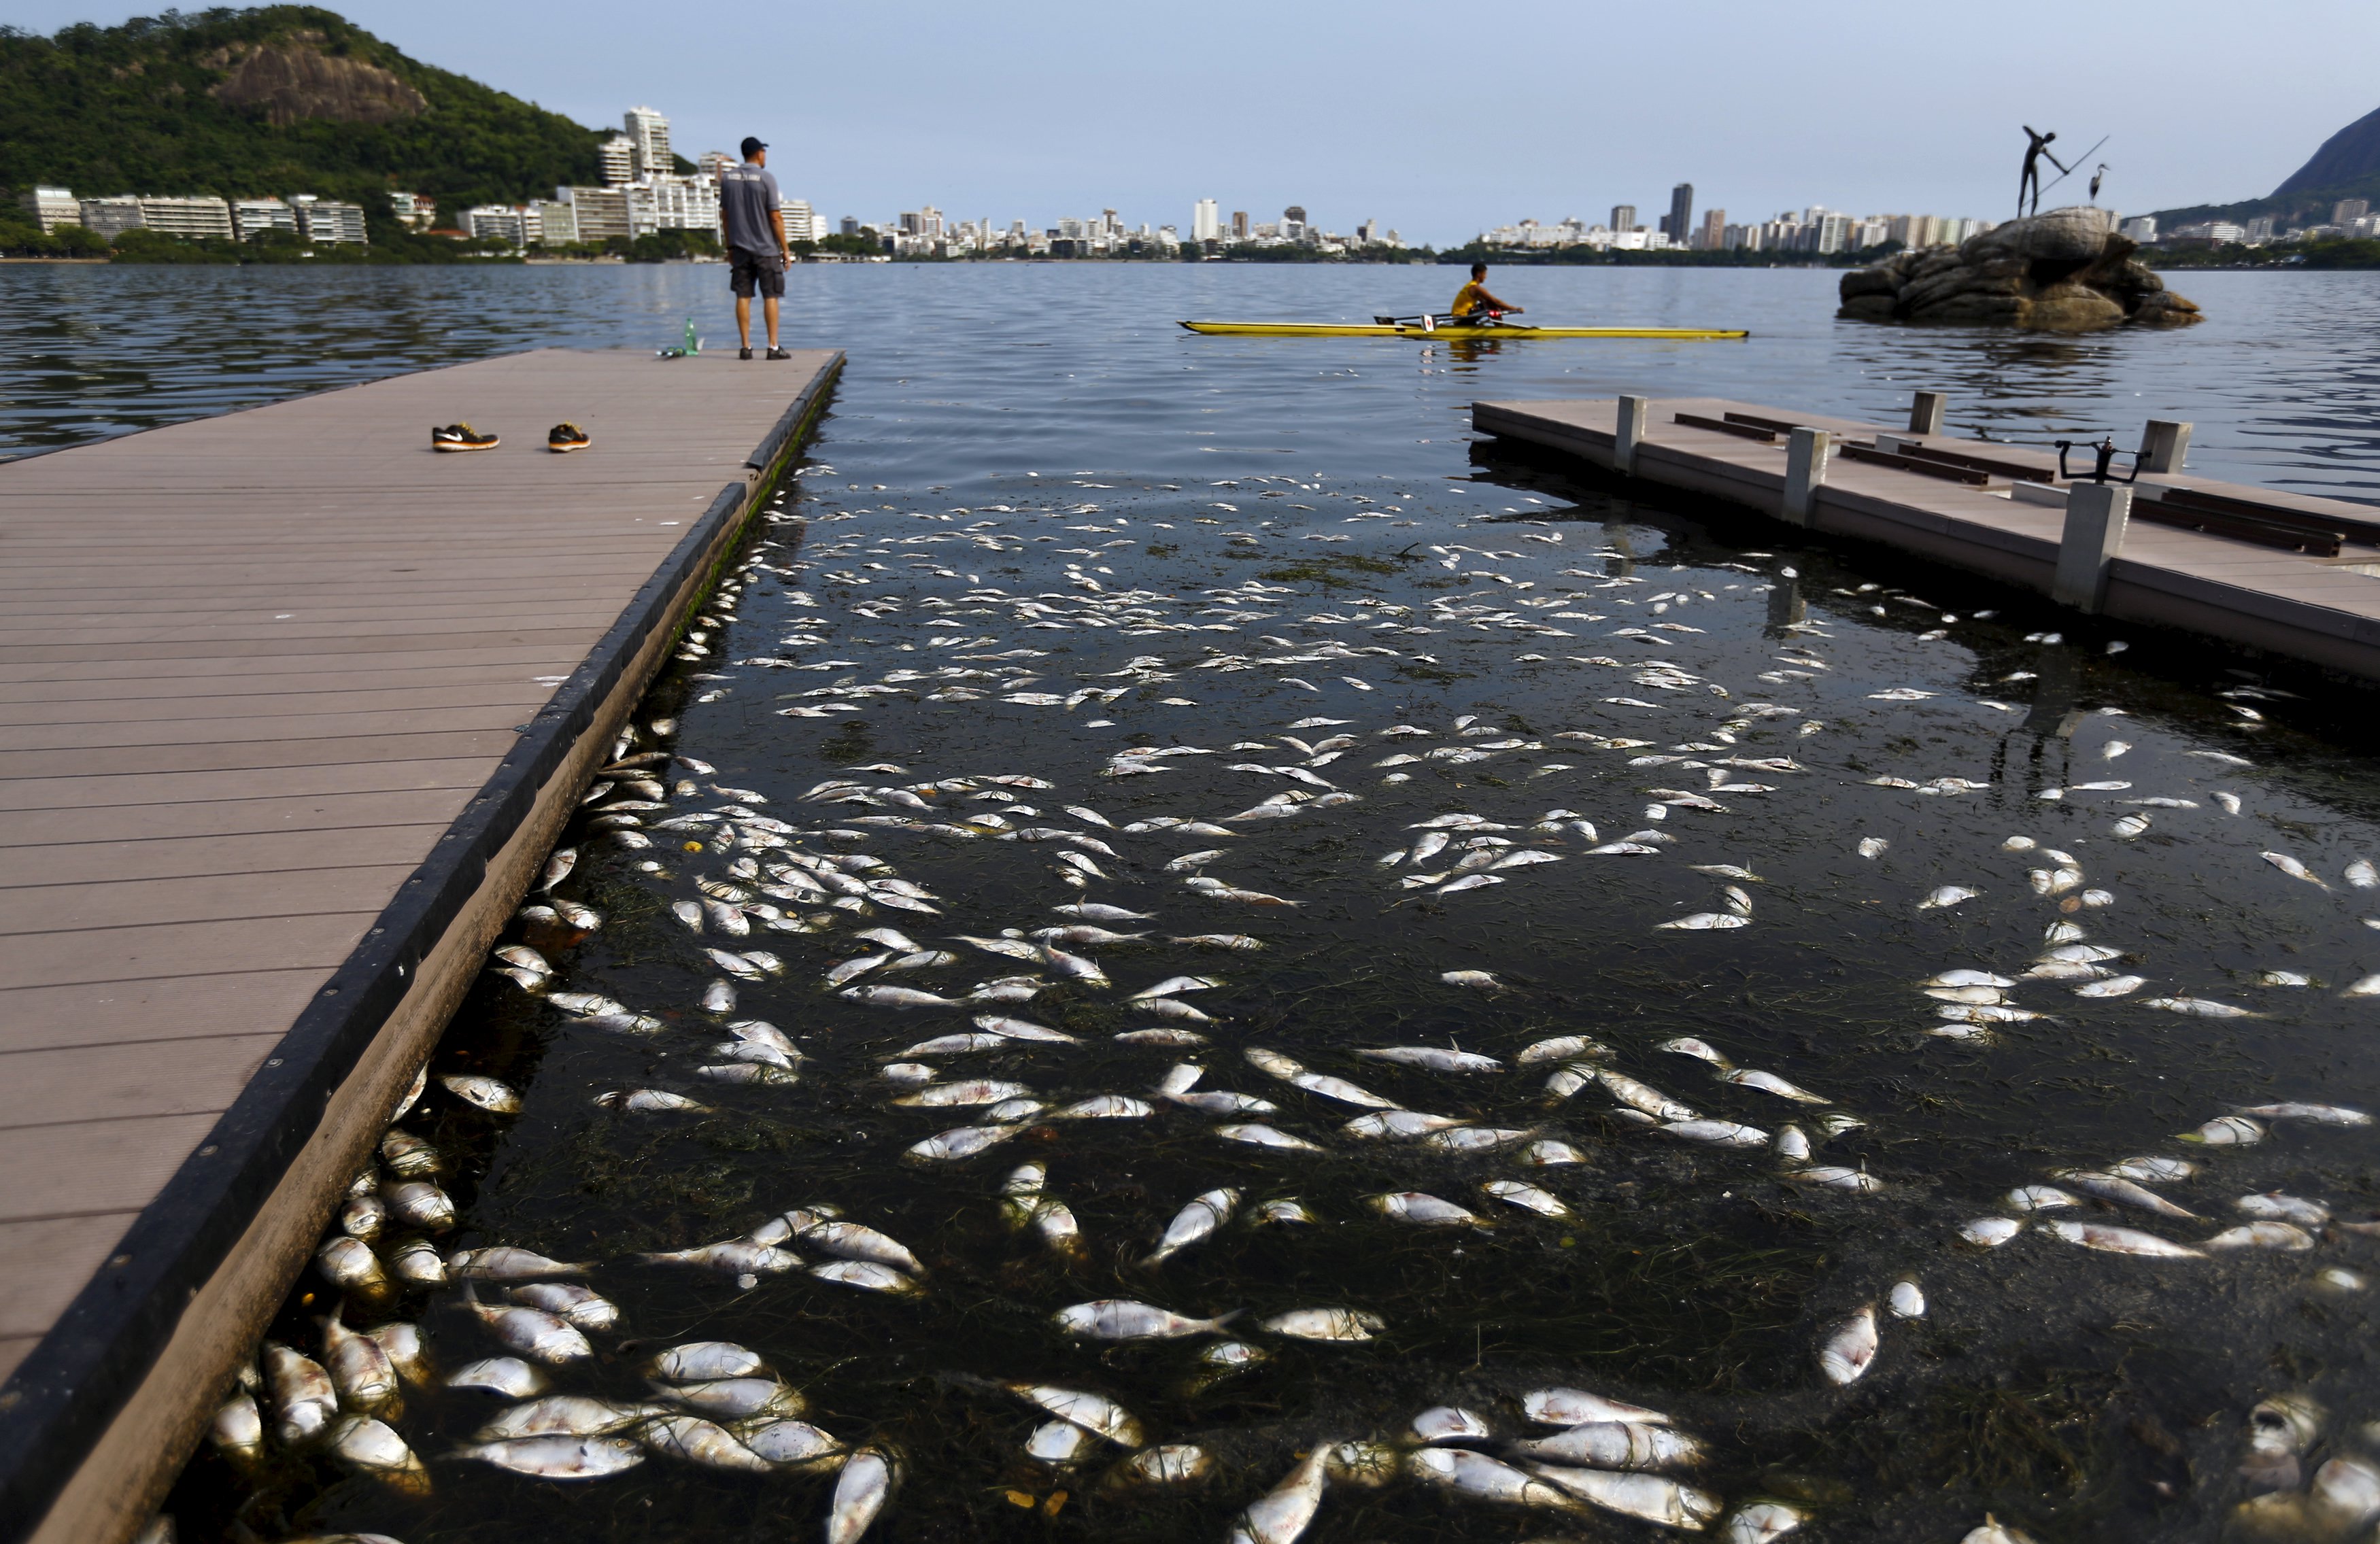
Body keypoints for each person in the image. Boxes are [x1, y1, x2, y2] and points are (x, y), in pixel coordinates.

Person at [719, 136, 792, 360]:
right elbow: (776, 216)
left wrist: (730, 246)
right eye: (764, 152)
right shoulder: (766, 178)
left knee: (743, 296)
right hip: (766, 249)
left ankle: (746, 347)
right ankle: (772, 347)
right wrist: (786, 250)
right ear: (759, 153)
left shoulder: (727, 179)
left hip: (740, 247)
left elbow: (725, 216)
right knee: (771, 296)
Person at [2018, 126, 2071, 220]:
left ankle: (2031, 215)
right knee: (2023, 190)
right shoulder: (2036, 139)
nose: (2049, 140)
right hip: (2027, 166)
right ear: (2046, 136)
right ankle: (2019, 214)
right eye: (2049, 138)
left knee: (2035, 193)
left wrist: (2063, 170)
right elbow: (2025, 128)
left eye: (2051, 140)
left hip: (2033, 167)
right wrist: (2035, 141)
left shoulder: (2043, 149)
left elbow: (2053, 161)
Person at [1448, 262, 1523, 325]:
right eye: (1485, 274)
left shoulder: (1470, 285)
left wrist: (1502, 309)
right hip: (1461, 320)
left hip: (1460, 318)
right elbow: (1496, 302)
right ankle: (1500, 330)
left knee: (1489, 304)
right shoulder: (1476, 288)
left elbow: (1486, 302)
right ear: (1479, 274)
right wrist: (1515, 309)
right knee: (1493, 304)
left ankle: (1499, 328)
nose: (1486, 277)